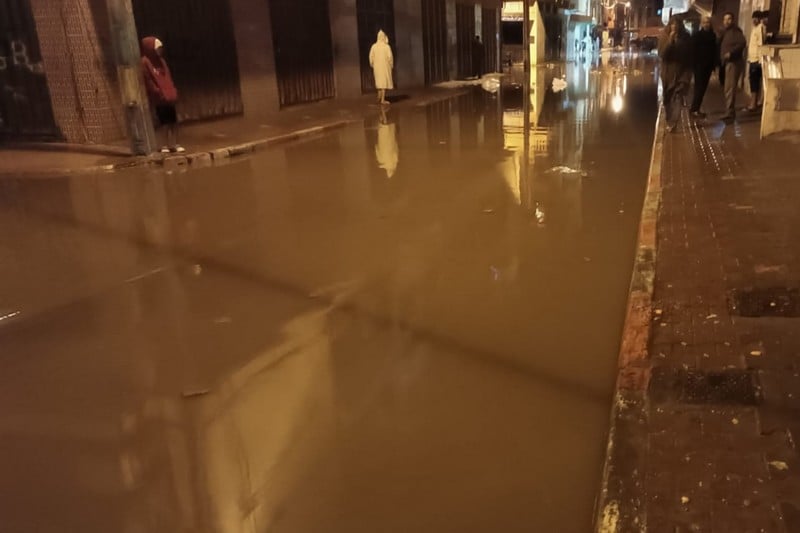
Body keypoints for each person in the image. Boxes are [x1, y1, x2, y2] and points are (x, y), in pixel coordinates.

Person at [140, 36, 183, 154]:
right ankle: (163, 144)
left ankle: (174, 144)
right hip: (159, 98)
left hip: (168, 96)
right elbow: (148, 80)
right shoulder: (145, 62)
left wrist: (172, 90)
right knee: (163, 122)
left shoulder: (161, 61)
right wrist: (157, 92)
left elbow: (168, 77)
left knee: (173, 121)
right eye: (158, 48)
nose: (160, 50)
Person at [658, 17, 692, 132]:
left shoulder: (686, 38)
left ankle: (674, 123)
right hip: (667, 74)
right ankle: (669, 120)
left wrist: (688, 75)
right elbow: (662, 54)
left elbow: (689, 56)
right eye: (672, 24)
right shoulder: (664, 37)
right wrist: (670, 41)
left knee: (678, 98)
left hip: (681, 73)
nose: (674, 26)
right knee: (667, 99)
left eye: (677, 24)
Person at [718, 12, 747, 121]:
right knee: (727, 88)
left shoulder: (735, 31)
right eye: (725, 19)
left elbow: (742, 43)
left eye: (729, 19)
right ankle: (730, 111)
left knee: (730, 88)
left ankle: (730, 112)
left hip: (733, 62)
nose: (726, 21)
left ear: (733, 20)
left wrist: (731, 53)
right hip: (728, 63)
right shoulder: (726, 32)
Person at [691, 16, 718, 118]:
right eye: (704, 22)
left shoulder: (713, 35)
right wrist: (694, 64)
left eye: (708, 22)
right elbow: (693, 51)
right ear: (701, 24)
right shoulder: (697, 36)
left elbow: (714, 51)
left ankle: (696, 108)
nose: (706, 24)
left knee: (703, 88)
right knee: (699, 87)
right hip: (699, 66)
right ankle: (694, 109)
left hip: (708, 66)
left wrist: (714, 65)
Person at [746, 10, 766, 111]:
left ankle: (753, 103)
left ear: (759, 19)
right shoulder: (755, 28)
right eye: (753, 18)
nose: (754, 20)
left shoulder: (760, 28)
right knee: (753, 81)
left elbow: (761, 44)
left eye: (756, 18)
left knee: (754, 82)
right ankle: (754, 102)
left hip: (756, 60)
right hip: (752, 59)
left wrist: (759, 60)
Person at [369, 30, 394, 105]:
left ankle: (379, 97)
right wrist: (391, 64)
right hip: (385, 67)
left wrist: (372, 64)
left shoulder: (374, 46)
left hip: (377, 67)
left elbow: (371, 56)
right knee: (383, 83)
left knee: (379, 82)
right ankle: (382, 99)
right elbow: (390, 57)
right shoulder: (387, 47)